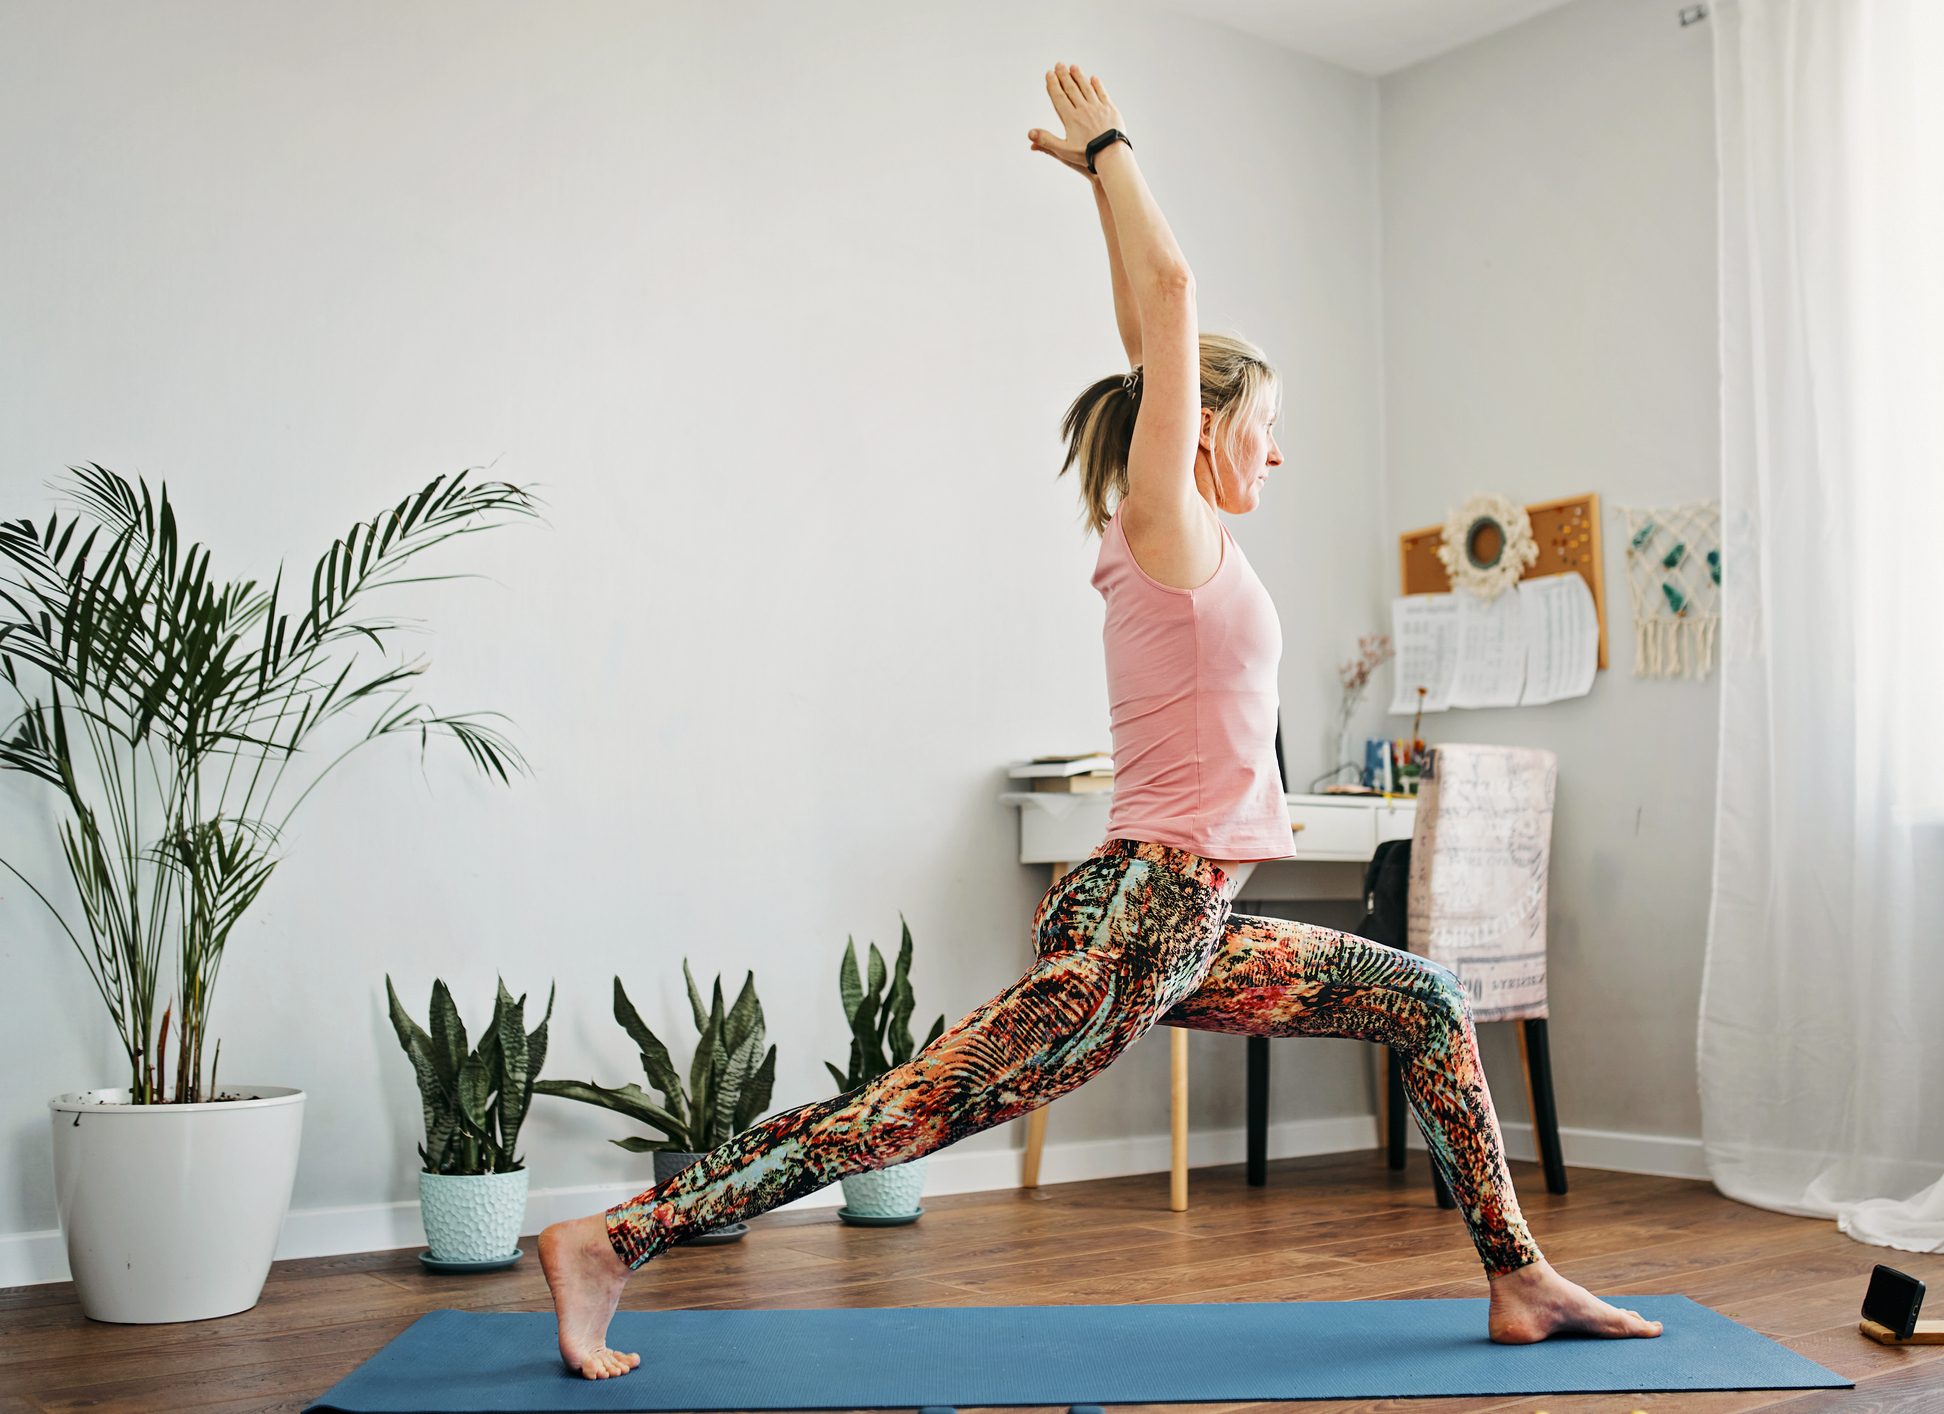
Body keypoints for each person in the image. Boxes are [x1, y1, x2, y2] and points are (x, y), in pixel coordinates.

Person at [534, 61, 1662, 1381]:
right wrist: (1113, 148)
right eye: (1269, 426)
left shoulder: (1185, 537)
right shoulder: (1164, 523)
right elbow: (1171, 309)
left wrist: (1095, 195)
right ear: (1206, 428)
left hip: (1182, 920)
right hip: (1143, 911)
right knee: (907, 1113)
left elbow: (1147, 327)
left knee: (1420, 998)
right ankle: (617, 1236)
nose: (1278, 453)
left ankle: (1518, 1276)